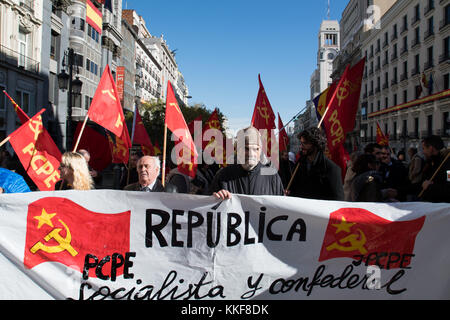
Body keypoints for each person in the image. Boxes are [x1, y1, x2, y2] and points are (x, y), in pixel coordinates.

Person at [210, 126, 284, 199]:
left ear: (261, 150)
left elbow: (280, 205)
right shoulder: (223, 175)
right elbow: (207, 205)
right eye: (246, 148)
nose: (251, 154)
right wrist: (216, 197)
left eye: (256, 149)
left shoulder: (272, 176)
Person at [288, 127, 344, 201]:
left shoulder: (331, 169)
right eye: (301, 143)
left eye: (305, 143)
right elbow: (294, 189)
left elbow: (337, 200)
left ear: (315, 144)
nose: (301, 146)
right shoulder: (299, 164)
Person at [419, 135, 450, 203]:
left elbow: (448, 187)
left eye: (423, 148)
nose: (423, 152)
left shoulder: (447, 163)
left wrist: (431, 187)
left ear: (430, 148)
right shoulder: (430, 162)